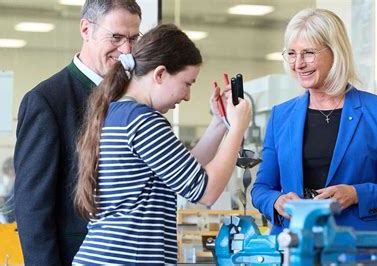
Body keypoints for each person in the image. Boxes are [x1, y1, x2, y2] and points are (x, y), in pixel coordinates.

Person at [72, 24, 252, 265]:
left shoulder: (117, 114)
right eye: (187, 83)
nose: (187, 96)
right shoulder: (143, 121)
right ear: (160, 74)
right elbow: (206, 192)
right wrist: (238, 127)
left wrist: (220, 124)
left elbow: (187, 171)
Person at [251, 8, 377, 264]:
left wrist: (355, 194)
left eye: (308, 53)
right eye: (292, 54)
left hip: (358, 251)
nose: (298, 64)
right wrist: (276, 200)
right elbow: (261, 188)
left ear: (335, 52)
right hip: (295, 252)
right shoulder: (281, 116)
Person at [13, 1, 142, 265]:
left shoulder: (133, 98)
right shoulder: (47, 101)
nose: (126, 50)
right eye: (116, 37)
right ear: (86, 29)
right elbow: (33, 211)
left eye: (133, 39)